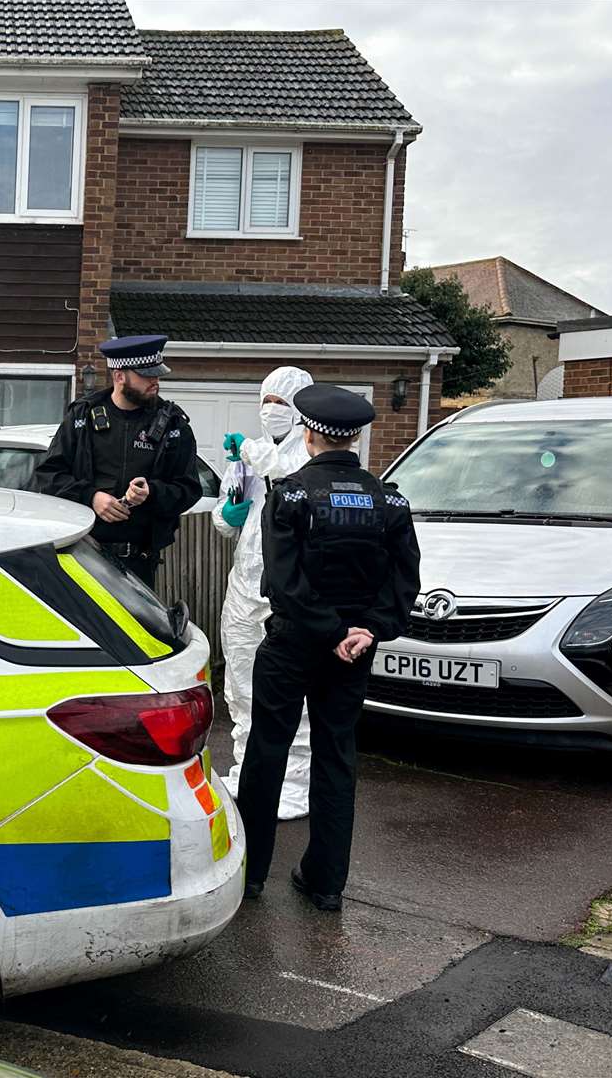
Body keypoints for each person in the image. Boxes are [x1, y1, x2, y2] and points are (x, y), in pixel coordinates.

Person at [238, 385, 420, 911]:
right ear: (357, 436)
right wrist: (367, 630)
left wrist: (329, 629)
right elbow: (404, 579)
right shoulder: (390, 500)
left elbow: (281, 578)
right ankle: (326, 884)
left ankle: (250, 876)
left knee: (266, 751)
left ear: (310, 433)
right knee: (336, 755)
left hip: (296, 641)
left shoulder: (290, 494)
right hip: (354, 652)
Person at [212, 367, 315, 821]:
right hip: (244, 585)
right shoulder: (248, 456)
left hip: (288, 589)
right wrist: (227, 514)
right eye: (266, 400)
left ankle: (293, 783)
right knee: (241, 684)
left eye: (281, 401)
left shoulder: (307, 450)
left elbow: (286, 471)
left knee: (291, 690)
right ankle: (247, 769)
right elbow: (223, 509)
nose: (271, 410)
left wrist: (250, 453)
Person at [32, 335, 202, 585]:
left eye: (157, 375)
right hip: (81, 555)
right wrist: (91, 497)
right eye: (146, 375)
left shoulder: (172, 426)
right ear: (119, 375)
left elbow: (189, 489)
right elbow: (47, 477)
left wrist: (151, 493)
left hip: (138, 564)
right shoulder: (83, 418)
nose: (155, 382)